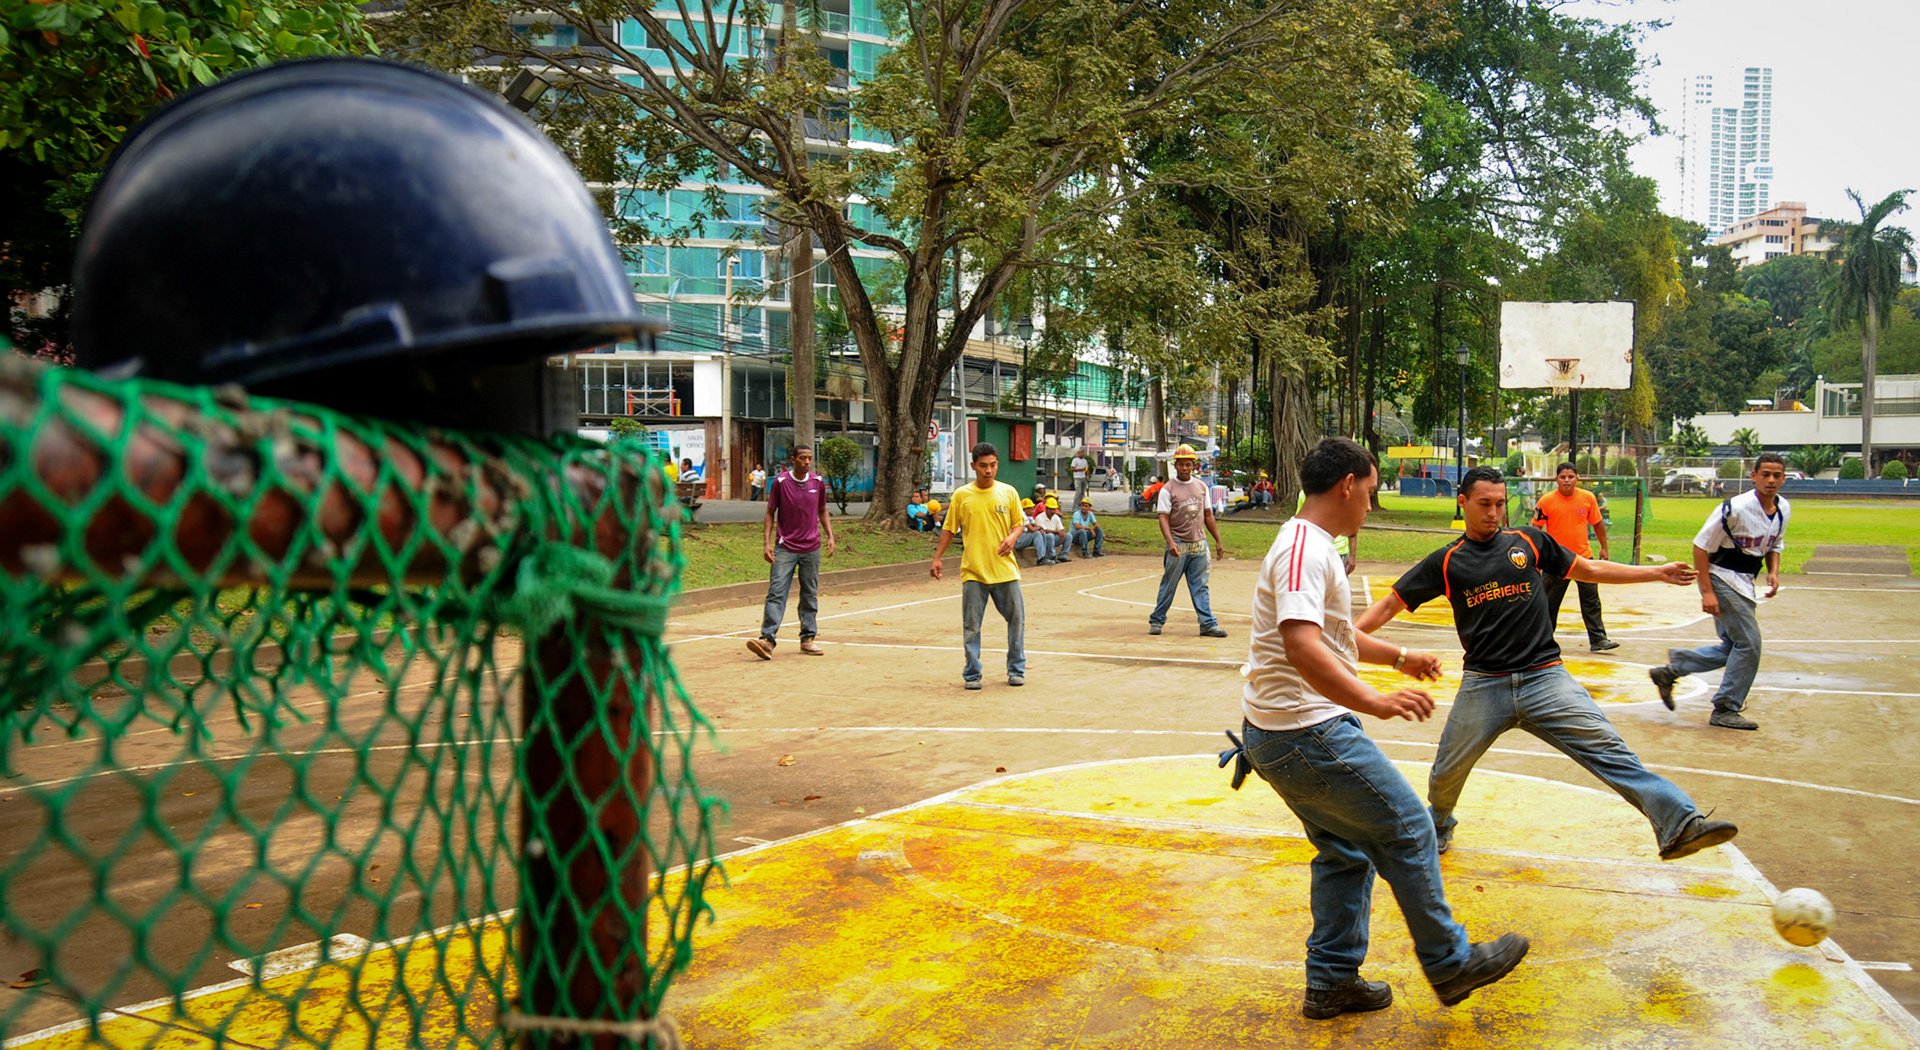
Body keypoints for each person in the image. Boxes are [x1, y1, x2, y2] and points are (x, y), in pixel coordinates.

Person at [1220, 438, 1530, 1018]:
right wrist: (1376, 701)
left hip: (1289, 734)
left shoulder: (1314, 547)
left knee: (1346, 851)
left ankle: (1332, 981)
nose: (1372, 499)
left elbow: (1334, 635)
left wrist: (1398, 657)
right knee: (1411, 827)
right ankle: (1450, 961)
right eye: (1370, 488)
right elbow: (1302, 645)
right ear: (1347, 484)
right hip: (1304, 733)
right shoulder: (1302, 551)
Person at [1356, 465, 1739, 862]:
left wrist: (1655, 572)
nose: (1493, 512)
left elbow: (1588, 569)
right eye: (1484, 504)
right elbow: (1389, 604)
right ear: (1463, 503)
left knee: (1611, 750)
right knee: (1446, 774)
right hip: (1484, 684)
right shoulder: (1447, 561)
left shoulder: (1529, 541)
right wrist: (1345, 638)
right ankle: (1438, 823)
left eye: (1500, 504)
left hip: (1546, 678)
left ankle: (1679, 822)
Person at [1649, 454, 1791, 731]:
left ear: (1784, 478)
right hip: (1721, 578)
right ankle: (1726, 707)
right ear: (1754, 476)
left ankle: (1670, 671)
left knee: (1733, 647)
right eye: (1766, 474)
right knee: (1750, 644)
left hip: (1746, 583)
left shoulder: (1783, 508)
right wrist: (1707, 593)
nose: (1771, 480)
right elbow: (1701, 547)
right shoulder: (1734, 508)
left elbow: (1775, 544)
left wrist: (1773, 572)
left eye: (1777, 475)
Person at [931, 442, 1027, 689]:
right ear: (973, 466)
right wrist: (937, 557)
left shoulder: (1008, 492)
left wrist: (1012, 537)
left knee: (1017, 620)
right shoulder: (962, 495)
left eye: (993, 465)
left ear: (997, 465)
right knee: (971, 626)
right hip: (974, 572)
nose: (988, 470)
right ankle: (972, 674)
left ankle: (1016, 669)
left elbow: (1019, 523)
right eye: (983, 465)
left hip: (1005, 571)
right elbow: (949, 528)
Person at [747, 445, 834, 659]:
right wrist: (767, 542)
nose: (807, 462)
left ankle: (808, 638)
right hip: (785, 547)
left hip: (811, 547)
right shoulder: (781, 483)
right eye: (802, 458)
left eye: (810, 458)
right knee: (777, 591)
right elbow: (770, 513)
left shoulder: (818, 482)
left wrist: (830, 535)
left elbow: (822, 510)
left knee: (809, 593)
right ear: (793, 460)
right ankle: (767, 639)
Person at [1532, 463, 1618, 652]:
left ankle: (1598, 639)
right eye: (1563, 477)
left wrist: (1604, 547)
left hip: (1583, 558)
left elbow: (1597, 523)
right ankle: (1542, 641)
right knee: (1548, 603)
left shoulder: (1588, 498)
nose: (1567, 480)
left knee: (1592, 600)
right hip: (1556, 560)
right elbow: (1536, 528)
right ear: (1556, 480)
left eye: (1571, 476)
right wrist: (1536, 554)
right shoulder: (1545, 502)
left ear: (1577, 478)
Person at [1150, 445, 1228, 637]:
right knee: (1169, 584)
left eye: (1188, 465)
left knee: (1200, 585)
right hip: (1179, 543)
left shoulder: (1201, 487)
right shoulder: (1168, 489)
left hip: (1199, 544)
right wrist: (1171, 542)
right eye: (1181, 465)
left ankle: (1208, 624)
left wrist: (1218, 540)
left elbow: (1208, 514)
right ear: (1175, 465)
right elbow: (1163, 517)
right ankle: (1157, 620)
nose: (1184, 468)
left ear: (1193, 466)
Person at [1296, 488, 1358, 574]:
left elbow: (1351, 524)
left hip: (1339, 551)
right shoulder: (1305, 493)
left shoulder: (1343, 492)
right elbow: (1301, 522)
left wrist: (1352, 555)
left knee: (1338, 586)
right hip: (1315, 551)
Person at [1016, 497, 1064, 564]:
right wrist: (1039, 528)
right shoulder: (1022, 515)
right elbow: (1032, 529)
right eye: (1031, 509)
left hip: (1023, 538)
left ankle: (1044, 557)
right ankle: (1040, 558)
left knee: (1041, 533)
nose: (1033, 511)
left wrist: (1040, 529)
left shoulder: (1029, 516)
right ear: (1025, 509)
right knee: (1037, 533)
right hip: (1017, 541)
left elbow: (1036, 526)